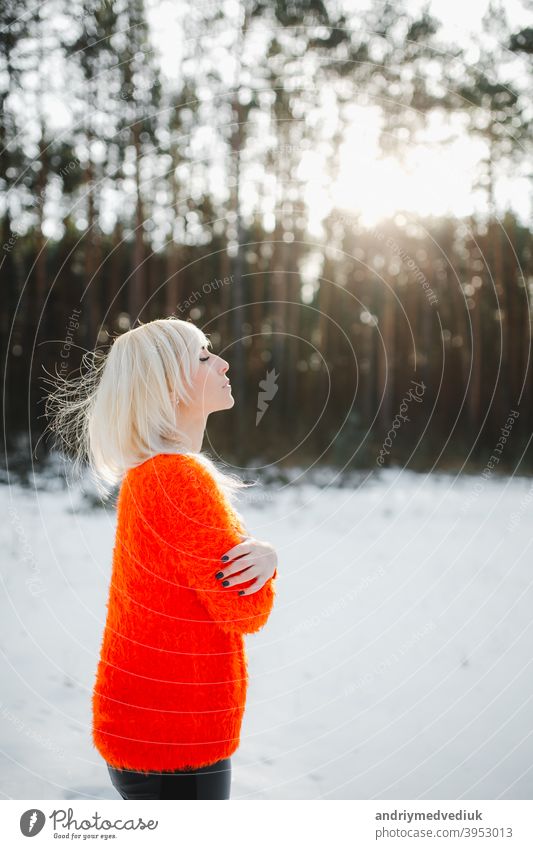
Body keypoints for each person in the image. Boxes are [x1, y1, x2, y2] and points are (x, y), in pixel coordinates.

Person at [44, 316, 278, 800]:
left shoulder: (148, 476)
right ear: (169, 387)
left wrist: (260, 554)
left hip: (148, 733)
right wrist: (268, 564)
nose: (223, 362)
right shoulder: (177, 480)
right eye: (203, 356)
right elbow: (244, 609)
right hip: (176, 741)